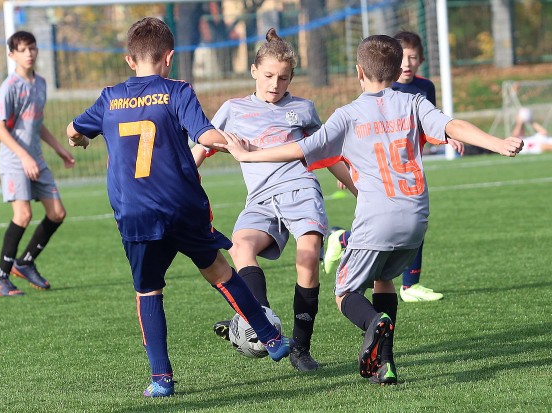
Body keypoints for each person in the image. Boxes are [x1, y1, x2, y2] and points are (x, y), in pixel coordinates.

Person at [216, 34, 523, 385]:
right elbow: (453, 125)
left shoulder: (347, 115)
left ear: (359, 72)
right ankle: (384, 364)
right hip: (416, 218)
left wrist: (249, 154)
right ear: (396, 70)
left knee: (345, 294)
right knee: (384, 279)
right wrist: (497, 142)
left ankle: (372, 322)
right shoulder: (414, 102)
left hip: (376, 218)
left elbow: (301, 149)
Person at [66, 17, 291, 398]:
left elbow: (73, 130)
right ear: (169, 57)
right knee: (218, 270)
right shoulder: (177, 91)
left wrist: (80, 140)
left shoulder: (109, 98)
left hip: (134, 212)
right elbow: (205, 135)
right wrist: (241, 145)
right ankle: (270, 338)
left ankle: (161, 379)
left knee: (148, 291)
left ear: (129, 60)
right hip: (181, 206)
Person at [193, 28, 356, 372]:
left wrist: (357, 188)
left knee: (308, 257)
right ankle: (262, 324)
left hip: (300, 191)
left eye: (283, 78)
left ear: (291, 78)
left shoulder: (303, 109)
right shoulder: (233, 110)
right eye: (268, 76)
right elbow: (203, 147)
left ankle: (301, 348)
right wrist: (181, 178)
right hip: (260, 200)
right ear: (254, 71)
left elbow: (325, 153)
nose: (275, 84)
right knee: (240, 246)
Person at [323, 30, 464, 303]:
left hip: (408, 167)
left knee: (410, 222)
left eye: (413, 58)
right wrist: (347, 166)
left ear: (421, 60)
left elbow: (431, 123)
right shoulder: (380, 88)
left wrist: (448, 135)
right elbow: (359, 132)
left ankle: (407, 283)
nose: (408, 64)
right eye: (404, 58)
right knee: (384, 227)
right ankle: (348, 244)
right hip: (378, 171)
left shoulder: (425, 89)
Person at [0, 31, 76, 297]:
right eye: (23, 49)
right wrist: (24, 156)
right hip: (15, 161)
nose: (29, 53)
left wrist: (59, 150)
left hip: (35, 159)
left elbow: (36, 123)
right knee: (23, 215)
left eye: (32, 48)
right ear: (12, 54)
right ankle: (0, 277)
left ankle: (25, 262)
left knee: (57, 213)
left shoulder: (41, 83)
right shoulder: (10, 86)